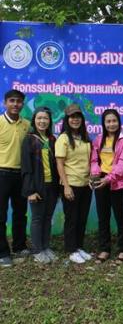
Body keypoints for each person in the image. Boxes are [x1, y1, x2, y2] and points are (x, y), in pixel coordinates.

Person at [90, 109, 123, 263]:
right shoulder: (98, 139)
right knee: (103, 217)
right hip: (101, 182)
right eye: (108, 121)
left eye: (114, 121)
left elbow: (122, 164)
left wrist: (108, 179)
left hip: (117, 183)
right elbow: (94, 160)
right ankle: (104, 249)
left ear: (119, 122)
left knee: (121, 217)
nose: (111, 124)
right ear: (104, 123)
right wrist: (96, 175)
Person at [21, 107, 60, 264]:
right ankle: (37, 250)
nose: (42, 121)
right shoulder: (29, 139)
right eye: (39, 118)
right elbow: (26, 167)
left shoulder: (52, 140)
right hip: (37, 186)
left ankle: (45, 246)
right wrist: (30, 190)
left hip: (52, 185)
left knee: (48, 217)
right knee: (37, 218)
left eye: (45, 118)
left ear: (50, 121)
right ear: (34, 120)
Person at [55, 104, 92, 264]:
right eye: (72, 117)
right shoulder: (63, 138)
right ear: (67, 119)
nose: (75, 120)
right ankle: (71, 250)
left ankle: (79, 246)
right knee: (72, 218)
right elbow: (59, 164)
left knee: (82, 218)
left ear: (82, 119)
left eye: (78, 117)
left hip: (86, 184)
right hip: (71, 184)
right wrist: (66, 186)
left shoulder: (85, 138)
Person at [0, 90, 30, 267]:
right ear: (5, 103)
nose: (15, 104)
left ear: (22, 104)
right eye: (12, 101)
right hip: (2, 174)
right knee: (0, 215)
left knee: (20, 213)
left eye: (19, 101)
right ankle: (3, 252)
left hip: (21, 175)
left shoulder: (27, 124)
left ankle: (19, 246)